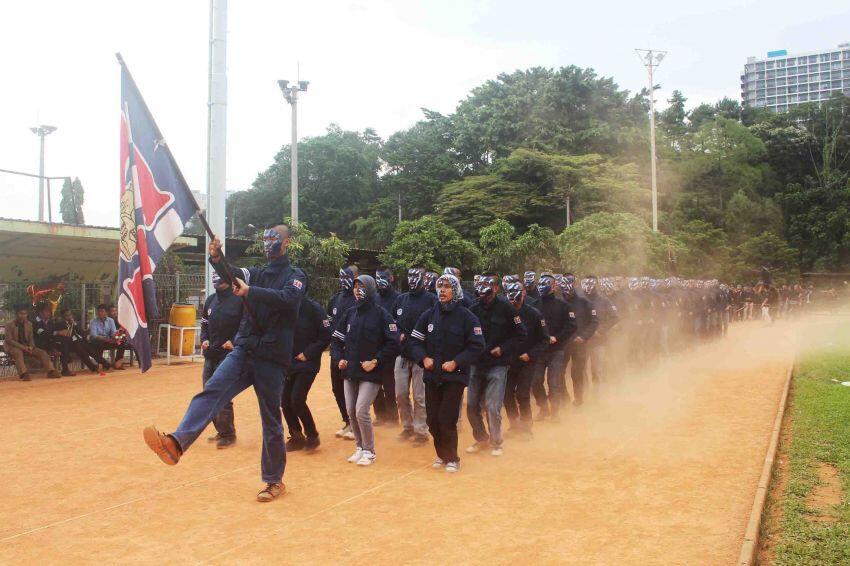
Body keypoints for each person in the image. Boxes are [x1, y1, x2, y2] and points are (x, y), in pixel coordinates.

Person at [143, 225, 307, 503]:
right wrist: (218, 259)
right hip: (244, 350)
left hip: (272, 358)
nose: (268, 242)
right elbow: (232, 275)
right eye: (265, 238)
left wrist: (250, 292)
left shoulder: (295, 276)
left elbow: (288, 301)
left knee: (270, 421)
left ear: (286, 242)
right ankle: (177, 443)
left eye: (273, 238)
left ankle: (274, 481)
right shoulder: (256, 272)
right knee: (212, 390)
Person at [410, 273, 484, 473]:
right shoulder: (428, 315)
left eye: (447, 286)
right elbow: (415, 341)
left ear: (456, 290)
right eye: (439, 286)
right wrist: (423, 358)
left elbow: (477, 346)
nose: (442, 290)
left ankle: (453, 458)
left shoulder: (467, 317)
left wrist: (456, 361)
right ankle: (441, 455)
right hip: (432, 376)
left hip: (455, 377)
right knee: (432, 420)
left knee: (446, 418)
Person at [331, 275, 399, 466]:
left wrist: (376, 361)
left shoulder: (382, 314)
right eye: (355, 286)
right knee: (351, 410)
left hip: (371, 372)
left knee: (361, 409)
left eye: (361, 286)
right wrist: (339, 359)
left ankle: (370, 451)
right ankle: (359, 448)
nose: (357, 289)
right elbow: (336, 340)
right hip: (350, 371)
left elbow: (393, 343)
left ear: (369, 289)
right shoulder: (350, 313)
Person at [467, 273, 527, 456]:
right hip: (476, 364)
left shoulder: (507, 308)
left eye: (488, 284)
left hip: (498, 365)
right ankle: (481, 438)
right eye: (480, 284)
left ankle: (496, 442)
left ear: (496, 288)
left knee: (493, 406)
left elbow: (520, 334)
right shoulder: (473, 309)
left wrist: (503, 348)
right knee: (471, 405)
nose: (483, 288)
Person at [283, 277, 331, 452]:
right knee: (285, 402)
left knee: (297, 400)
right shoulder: (285, 308)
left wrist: (307, 354)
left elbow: (326, 336)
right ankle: (296, 436)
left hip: (307, 364)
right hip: (288, 363)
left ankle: (312, 435)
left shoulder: (314, 309)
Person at [393, 266, 437, 445]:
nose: (412, 279)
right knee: (401, 394)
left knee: (420, 397)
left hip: (421, 356)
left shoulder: (432, 300)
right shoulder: (401, 299)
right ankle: (407, 427)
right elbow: (392, 322)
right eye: (409, 275)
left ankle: (421, 431)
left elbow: (436, 326)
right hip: (402, 355)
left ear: (425, 278)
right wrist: (398, 334)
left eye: (416, 276)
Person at [199, 271, 243, 449]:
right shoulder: (210, 300)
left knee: (223, 394)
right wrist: (204, 340)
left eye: (220, 277)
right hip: (210, 355)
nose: (216, 281)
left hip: (228, 356)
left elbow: (245, 325)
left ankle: (229, 434)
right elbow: (204, 324)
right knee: (208, 393)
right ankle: (221, 430)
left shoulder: (238, 300)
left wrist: (235, 342)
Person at [503, 281, 549, 439]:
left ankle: (526, 428)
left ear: (523, 296)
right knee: (507, 394)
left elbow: (545, 339)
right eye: (511, 300)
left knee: (522, 394)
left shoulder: (534, 314)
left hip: (528, 361)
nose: (513, 303)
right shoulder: (504, 313)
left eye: (516, 299)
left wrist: (530, 354)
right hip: (509, 361)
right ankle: (514, 425)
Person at [531, 273, 576, 421]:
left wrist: (557, 338)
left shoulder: (563, 305)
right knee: (536, 381)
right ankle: (543, 408)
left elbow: (571, 326)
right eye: (541, 284)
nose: (542, 287)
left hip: (556, 350)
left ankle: (555, 412)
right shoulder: (534, 305)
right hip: (538, 351)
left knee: (554, 382)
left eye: (546, 284)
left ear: (554, 286)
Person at [327, 266, 359, 440]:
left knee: (352, 388)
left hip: (353, 353)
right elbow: (329, 325)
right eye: (340, 277)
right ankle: (347, 421)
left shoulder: (358, 299)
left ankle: (356, 425)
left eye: (347, 277)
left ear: (355, 278)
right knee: (336, 388)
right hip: (336, 351)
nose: (343, 280)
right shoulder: (335, 299)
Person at [561, 280, 598, 406]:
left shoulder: (585, 303)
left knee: (577, 373)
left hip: (579, 344)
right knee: (559, 372)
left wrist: (584, 336)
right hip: (562, 344)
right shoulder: (559, 303)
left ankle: (579, 399)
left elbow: (594, 321)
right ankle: (564, 398)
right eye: (564, 291)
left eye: (570, 291)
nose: (567, 294)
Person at [4, 305, 60, 380]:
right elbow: (9, 340)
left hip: (27, 347)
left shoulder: (29, 324)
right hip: (13, 347)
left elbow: (31, 338)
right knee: (18, 352)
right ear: (16, 314)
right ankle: (24, 374)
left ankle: (51, 371)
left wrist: (31, 346)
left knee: (42, 352)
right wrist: (23, 347)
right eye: (21, 314)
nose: (23, 316)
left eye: (25, 314)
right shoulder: (9, 324)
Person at [373, 267, 399, 426]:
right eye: (377, 278)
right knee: (374, 383)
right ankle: (381, 415)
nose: (380, 281)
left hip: (389, 347)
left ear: (391, 278)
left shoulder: (398, 298)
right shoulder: (373, 298)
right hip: (373, 346)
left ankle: (393, 417)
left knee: (389, 384)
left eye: (384, 278)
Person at [582, 275, 619, 386]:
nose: (588, 286)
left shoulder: (604, 301)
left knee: (597, 369)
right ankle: (584, 394)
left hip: (599, 341)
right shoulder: (580, 300)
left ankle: (597, 396)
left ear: (596, 285)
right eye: (586, 283)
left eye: (591, 284)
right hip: (582, 341)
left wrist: (601, 330)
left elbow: (615, 317)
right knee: (581, 370)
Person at [54, 307, 109, 374]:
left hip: (78, 341)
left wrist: (75, 324)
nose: (69, 317)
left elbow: (81, 332)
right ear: (63, 316)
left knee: (90, 349)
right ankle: (94, 367)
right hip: (69, 343)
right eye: (67, 315)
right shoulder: (60, 324)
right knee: (81, 348)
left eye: (70, 315)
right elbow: (67, 335)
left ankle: (104, 364)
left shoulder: (73, 323)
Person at [33, 303, 70, 375]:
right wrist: (58, 332)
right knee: (58, 339)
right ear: (40, 312)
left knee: (64, 339)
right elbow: (44, 334)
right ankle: (63, 361)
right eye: (47, 311)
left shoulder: (50, 321)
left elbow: (53, 331)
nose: (49, 313)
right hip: (39, 344)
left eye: (50, 311)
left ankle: (65, 369)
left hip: (50, 343)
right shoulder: (34, 322)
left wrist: (64, 332)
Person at [88, 304, 127, 370]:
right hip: (98, 341)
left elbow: (113, 333)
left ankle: (118, 363)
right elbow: (94, 335)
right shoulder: (93, 321)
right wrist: (106, 339)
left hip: (108, 340)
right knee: (98, 343)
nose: (100, 313)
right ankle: (101, 363)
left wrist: (118, 336)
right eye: (99, 311)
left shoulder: (111, 320)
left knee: (122, 341)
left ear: (106, 313)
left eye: (102, 311)